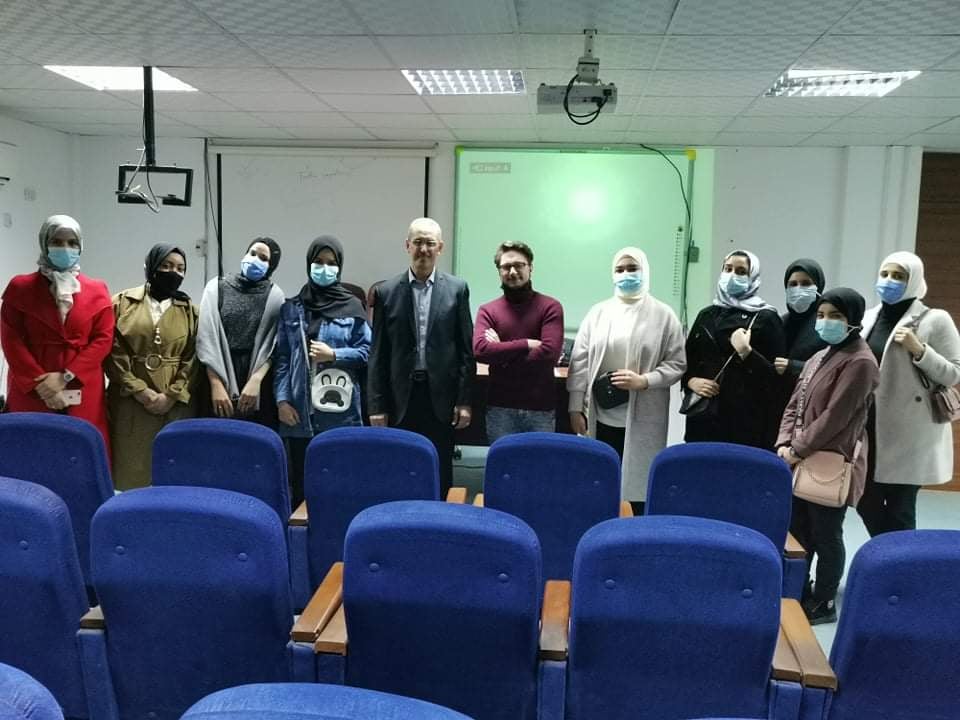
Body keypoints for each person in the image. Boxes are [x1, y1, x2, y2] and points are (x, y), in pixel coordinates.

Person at [777, 288, 879, 625]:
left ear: (853, 320)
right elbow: (794, 404)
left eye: (835, 316)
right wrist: (784, 442)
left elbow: (835, 418)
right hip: (800, 456)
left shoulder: (861, 361)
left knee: (826, 534)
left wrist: (797, 448)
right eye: (821, 315)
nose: (825, 322)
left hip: (829, 459)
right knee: (800, 530)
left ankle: (824, 601)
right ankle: (799, 590)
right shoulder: (819, 356)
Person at [567, 247, 686, 514]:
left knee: (638, 488)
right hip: (601, 415)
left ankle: (635, 535)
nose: (626, 274)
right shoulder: (598, 313)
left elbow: (678, 364)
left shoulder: (664, 315)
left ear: (645, 270)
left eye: (632, 268)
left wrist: (645, 380)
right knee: (600, 482)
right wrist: (575, 408)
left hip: (644, 415)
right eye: (619, 269)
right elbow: (579, 362)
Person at [367, 217, 475, 495]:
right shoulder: (386, 292)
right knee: (400, 467)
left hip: (441, 397)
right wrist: (376, 406)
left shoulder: (457, 289)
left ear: (440, 247)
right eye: (418, 242)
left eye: (430, 243)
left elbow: (465, 351)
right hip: (400, 398)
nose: (423, 249)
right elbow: (378, 353)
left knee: (439, 469)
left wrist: (464, 401)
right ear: (407, 245)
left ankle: (438, 517)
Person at [857, 251, 960, 535]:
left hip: (910, 431)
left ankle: (899, 559)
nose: (889, 281)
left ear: (913, 280)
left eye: (899, 276)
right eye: (885, 274)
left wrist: (920, 350)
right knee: (864, 498)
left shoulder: (935, 319)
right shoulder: (868, 317)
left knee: (900, 508)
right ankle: (890, 551)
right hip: (868, 425)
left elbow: (954, 373)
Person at [0, 215, 114, 450]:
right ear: (44, 243)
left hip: (81, 383)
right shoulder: (20, 287)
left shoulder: (98, 289)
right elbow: (11, 339)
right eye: (57, 242)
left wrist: (65, 377)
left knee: (80, 450)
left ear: (81, 246)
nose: (65, 248)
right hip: (33, 385)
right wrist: (42, 385)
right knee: (32, 449)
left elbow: (103, 340)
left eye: (72, 243)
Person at [274, 236, 371, 507]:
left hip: (340, 414)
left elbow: (367, 352)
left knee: (340, 484)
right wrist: (281, 401)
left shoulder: (353, 307)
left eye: (331, 263)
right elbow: (282, 359)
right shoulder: (292, 308)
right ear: (309, 264)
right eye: (318, 261)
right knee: (301, 486)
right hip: (298, 413)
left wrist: (334, 354)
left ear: (339, 268)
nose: (324, 268)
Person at [105, 244, 199, 490]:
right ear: (151, 266)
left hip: (173, 404)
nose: (173, 272)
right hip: (130, 401)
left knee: (172, 469)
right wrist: (140, 390)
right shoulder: (121, 303)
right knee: (130, 471)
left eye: (180, 268)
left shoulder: (190, 310)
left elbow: (193, 358)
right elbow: (112, 351)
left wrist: (171, 395)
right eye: (165, 266)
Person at [683, 250, 786, 450]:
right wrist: (691, 381)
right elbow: (687, 360)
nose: (732, 275)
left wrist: (747, 353)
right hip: (703, 418)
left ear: (752, 276)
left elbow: (776, 379)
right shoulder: (707, 315)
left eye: (741, 271)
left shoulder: (766, 318)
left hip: (745, 422)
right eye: (728, 269)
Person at [472, 242, 564, 441]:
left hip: (540, 409)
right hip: (500, 408)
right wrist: (527, 344)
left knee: (538, 461)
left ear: (530, 267)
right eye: (506, 266)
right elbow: (480, 350)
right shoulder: (488, 311)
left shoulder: (550, 307)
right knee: (502, 460)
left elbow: (549, 354)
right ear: (499, 271)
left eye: (519, 265)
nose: (512, 271)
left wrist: (501, 353)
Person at [197, 237, 284, 426]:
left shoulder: (275, 296)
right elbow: (206, 338)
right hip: (217, 371)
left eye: (263, 258)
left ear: (271, 266)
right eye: (252, 253)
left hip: (256, 378)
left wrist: (256, 380)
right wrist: (216, 384)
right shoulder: (216, 288)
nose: (255, 260)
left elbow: (273, 344)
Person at [775, 258, 827, 387]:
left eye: (806, 284)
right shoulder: (780, 322)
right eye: (793, 284)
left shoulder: (826, 325)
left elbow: (832, 368)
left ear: (818, 286)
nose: (798, 289)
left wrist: (794, 367)